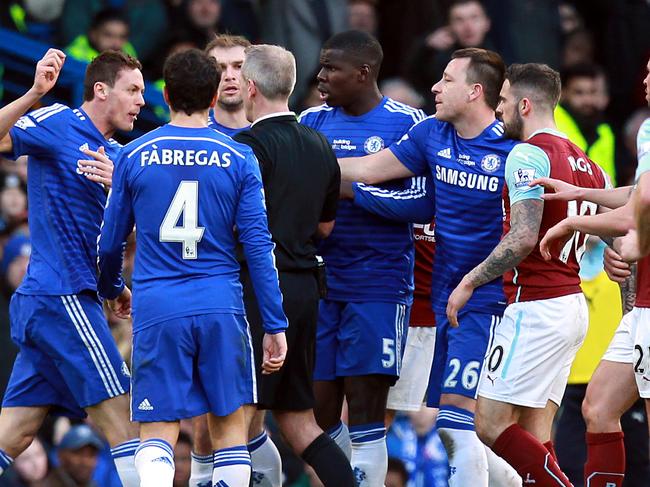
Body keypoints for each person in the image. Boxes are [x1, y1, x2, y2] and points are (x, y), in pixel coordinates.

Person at [96, 48, 288, 487]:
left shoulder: (134, 155)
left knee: (159, 430)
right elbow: (259, 247)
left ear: (165, 94)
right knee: (229, 432)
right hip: (220, 304)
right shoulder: (240, 158)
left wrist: (112, 286)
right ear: (214, 95)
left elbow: (110, 242)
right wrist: (275, 324)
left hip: (158, 305)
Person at [337, 47, 517, 487]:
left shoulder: (515, 148)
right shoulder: (431, 135)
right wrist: (298, 166)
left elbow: (566, 202)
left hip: (492, 300)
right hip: (445, 302)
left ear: (476, 92)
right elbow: (365, 169)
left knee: (457, 424)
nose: (435, 87)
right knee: (457, 426)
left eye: (447, 80)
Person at [445, 63, 609, 486]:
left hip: (536, 305)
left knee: (490, 422)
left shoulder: (528, 153)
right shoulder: (592, 166)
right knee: (537, 432)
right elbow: (606, 239)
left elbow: (522, 237)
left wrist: (469, 282)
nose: (497, 111)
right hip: (572, 305)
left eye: (500, 102)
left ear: (523, 103)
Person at [0, 49, 144, 486]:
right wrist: (33, 94)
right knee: (127, 424)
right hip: (61, 297)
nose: (141, 100)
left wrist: (114, 285)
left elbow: (116, 235)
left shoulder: (121, 157)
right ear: (101, 90)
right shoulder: (58, 121)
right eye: (132, 90)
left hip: (68, 299)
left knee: (16, 432)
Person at [298, 30, 426, 487]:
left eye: (332, 67)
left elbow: (420, 202)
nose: (322, 75)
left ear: (363, 73)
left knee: (367, 411)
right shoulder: (310, 121)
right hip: (319, 284)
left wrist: (345, 188)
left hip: (378, 283)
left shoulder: (408, 122)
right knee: (319, 411)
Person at [229, 43, 354, 487]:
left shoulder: (245, 146)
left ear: (249, 87)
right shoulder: (320, 145)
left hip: (256, 291)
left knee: (236, 420)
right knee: (300, 423)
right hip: (304, 290)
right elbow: (325, 227)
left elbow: (229, 225)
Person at [529, 57, 650, 487]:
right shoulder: (646, 131)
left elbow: (640, 210)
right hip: (638, 301)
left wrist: (575, 220)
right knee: (597, 409)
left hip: (642, 299)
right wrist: (582, 193)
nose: (645, 79)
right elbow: (639, 196)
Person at [555, 63, 617, 184]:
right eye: (579, 93)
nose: (587, 100)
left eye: (592, 92)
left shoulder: (604, 131)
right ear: (563, 93)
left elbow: (610, 183)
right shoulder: (550, 120)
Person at [205, 34, 251, 137]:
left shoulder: (274, 133)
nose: (229, 76)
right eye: (220, 68)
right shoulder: (194, 136)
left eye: (239, 66)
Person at [65, 8, 137, 63]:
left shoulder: (128, 50)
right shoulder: (74, 56)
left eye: (122, 37)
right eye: (108, 35)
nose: (116, 43)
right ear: (93, 34)